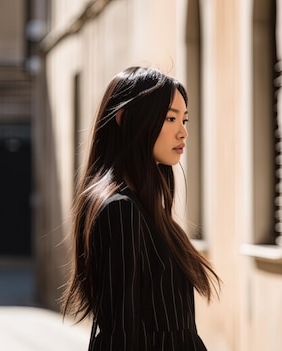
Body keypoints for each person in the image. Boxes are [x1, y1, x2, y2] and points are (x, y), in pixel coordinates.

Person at [61, 66, 220, 351]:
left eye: (184, 119)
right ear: (125, 118)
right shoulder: (120, 210)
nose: (183, 131)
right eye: (170, 118)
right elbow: (122, 334)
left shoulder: (147, 210)